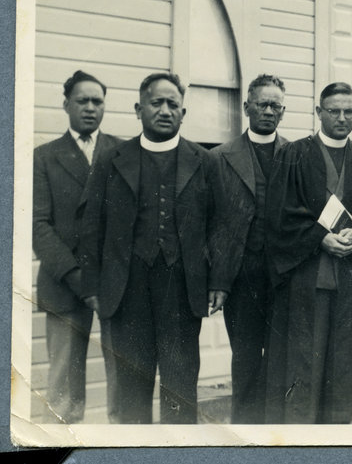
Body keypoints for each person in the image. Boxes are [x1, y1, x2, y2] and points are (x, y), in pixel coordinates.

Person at [79, 72, 226, 424]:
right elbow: (90, 226)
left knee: (180, 390)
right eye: (156, 103)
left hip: (181, 291)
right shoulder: (111, 159)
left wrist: (219, 281)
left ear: (183, 112)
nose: (164, 110)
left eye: (172, 104)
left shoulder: (204, 162)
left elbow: (221, 226)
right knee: (131, 392)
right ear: (138, 108)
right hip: (125, 290)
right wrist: (91, 286)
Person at [264, 82, 352, 424]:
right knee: (304, 363)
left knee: (341, 364)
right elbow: (278, 215)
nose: (342, 118)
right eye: (333, 111)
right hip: (306, 277)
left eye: (349, 111)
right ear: (319, 113)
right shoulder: (294, 155)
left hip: (351, 280)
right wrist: (319, 238)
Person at [33, 70, 121, 423]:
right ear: (66, 104)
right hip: (64, 283)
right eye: (82, 101)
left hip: (117, 283)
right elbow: (38, 225)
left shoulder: (122, 152)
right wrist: (76, 276)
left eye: (97, 101)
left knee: (123, 379)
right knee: (63, 391)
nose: (90, 108)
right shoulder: (44, 156)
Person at [209, 74, 289, 423]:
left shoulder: (298, 154)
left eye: (276, 106)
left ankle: (276, 434)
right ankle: (244, 432)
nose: (269, 111)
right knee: (244, 358)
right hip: (241, 277)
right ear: (247, 107)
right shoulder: (218, 158)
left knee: (281, 357)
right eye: (262, 104)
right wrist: (218, 277)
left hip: (285, 276)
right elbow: (209, 223)